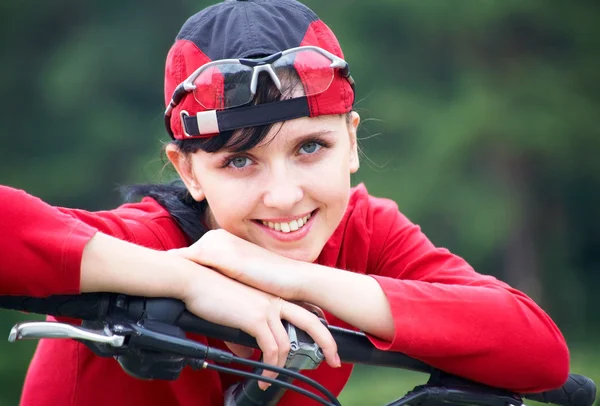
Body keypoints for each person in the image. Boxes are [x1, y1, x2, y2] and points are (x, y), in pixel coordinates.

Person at [0, 1, 569, 405]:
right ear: (188, 170)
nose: (284, 195)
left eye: (311, 147)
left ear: (351, 141)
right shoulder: (149, 244)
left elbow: (539, 351)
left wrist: (285, 278)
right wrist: (188, 281)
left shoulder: (365, 230)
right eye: (239, 161)